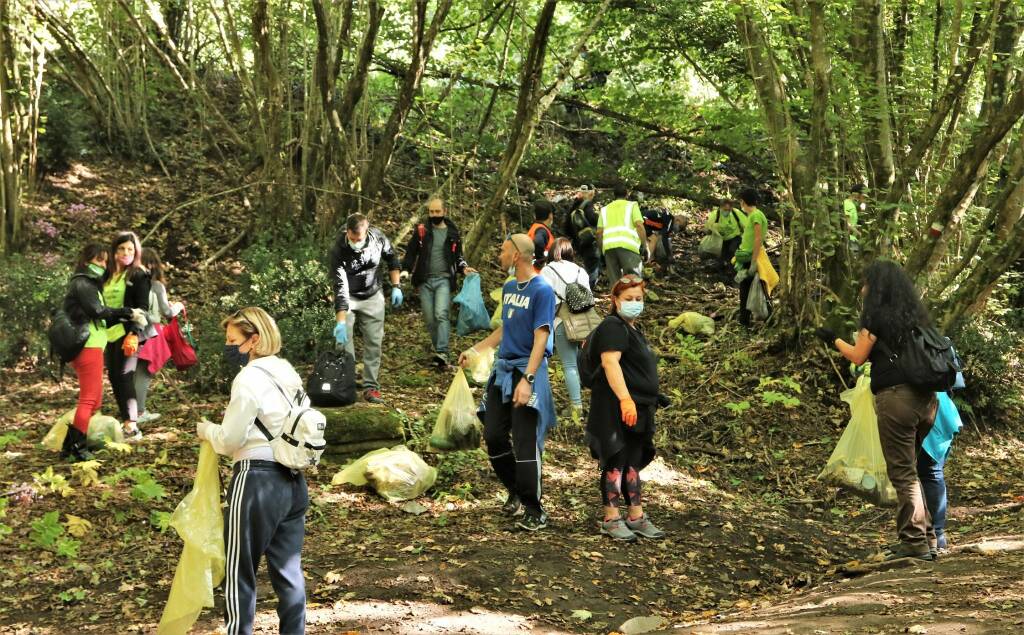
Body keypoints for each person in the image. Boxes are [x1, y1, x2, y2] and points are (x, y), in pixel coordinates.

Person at [815, 260, 939, 561]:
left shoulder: (875, 314)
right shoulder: (916, 316)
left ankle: (913, 542)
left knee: (902, 473)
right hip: (927, 402)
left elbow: (858, 356)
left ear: (877, 286)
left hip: (896, 400)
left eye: (866, 282)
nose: (862, 288)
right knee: (912, 470)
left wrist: (832, 338)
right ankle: (929, 538)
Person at [196, 307, 308, 635]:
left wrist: (206, 430)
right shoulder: (289, 373)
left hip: (255, 480)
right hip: (293, 482)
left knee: (240, 571)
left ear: (254, 340)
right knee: (289, 573)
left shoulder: (248, 378)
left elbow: (231, 439)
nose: (229, 347)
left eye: (233, 341)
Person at [459, 234, 557, 532]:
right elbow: (505, 328)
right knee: (493, 434)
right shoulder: (510, 287)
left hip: (527, 371)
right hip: (503, 371)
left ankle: (534, 508)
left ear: (516, 255)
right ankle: (515, 488)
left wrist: (527, 379)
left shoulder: (542, 290)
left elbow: (542, 337)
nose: (498, 255)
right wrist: (476, 350)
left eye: (502, 251)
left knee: (526, 441)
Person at [586, 275, 664, 542]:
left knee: (632, 461)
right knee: (615, 459)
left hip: (638, 407)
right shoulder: (612, 326)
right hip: (614, 406)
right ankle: (611, 517)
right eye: (628, 299)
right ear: (615, 300)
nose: (634, 303)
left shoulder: (632, 329)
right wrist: (625, 399)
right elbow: (610, 363)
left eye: (638, 299)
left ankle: (636, 515)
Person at [60, 244, 145, 461]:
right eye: (99, 260)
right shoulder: (83, 283)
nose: (103, 265)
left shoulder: (88, 283)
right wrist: (127, 311)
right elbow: (98, 311)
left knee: (95, 400)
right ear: (87, 260)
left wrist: (128, 316)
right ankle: (77, 448)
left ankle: (71, 444)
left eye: (105, 261)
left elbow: (103, 317)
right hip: (87, 346)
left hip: (94, 345)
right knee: (89, 400)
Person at [329, 213, 403, 403]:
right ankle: (348, 384)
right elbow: (340, 286)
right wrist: (340, 322)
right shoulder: (338, 248)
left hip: (373, 295)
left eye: (359, 239)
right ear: (347, 232)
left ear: (367, 231)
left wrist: (396, 287)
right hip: (349, 297)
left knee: (374, 341)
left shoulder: (378, 238)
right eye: (352, 238)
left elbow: (392, 259)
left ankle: (371, 387)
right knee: (343, 343)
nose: (355, 242)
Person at [400, 197, 476, 367]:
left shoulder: (452, 233)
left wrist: (464, 268)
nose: (434, 215)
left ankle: (442, 351)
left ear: (444, 212)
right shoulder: (422, 231)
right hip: (424, 280)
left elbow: (458, 257)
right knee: (429, 318)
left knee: (441, 314)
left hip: (444, 279)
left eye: (437, 211)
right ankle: (438, 350)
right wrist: (405, 269)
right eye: (431, 212)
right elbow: (411, 252)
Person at [103, 231, 151, 440]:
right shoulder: (107, 275)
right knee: (113, 375)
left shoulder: (138, 274)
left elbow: (142, 308)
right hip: (108, 333)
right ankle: (125, 420)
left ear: (136, 252)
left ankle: (132, 425)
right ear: (114, 251)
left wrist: (134, 333)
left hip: (129, 332)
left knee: (124, 375)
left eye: (130, 249)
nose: (125, 252)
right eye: (121, 248)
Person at [540, 238, 590, 423]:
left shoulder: (548, 270)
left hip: (561, 320)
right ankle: (578, 404)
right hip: (583, 320)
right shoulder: (581, 271)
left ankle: (577, 409)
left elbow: (544, 297)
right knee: (577, 363)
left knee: (569, 365)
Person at [134, 248, 184, 425]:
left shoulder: (129, 282)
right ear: (154, 264)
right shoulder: (156, 285)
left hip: (131, 331)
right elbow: (167, 312)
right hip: (150, 333)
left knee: (132, 372)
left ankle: (131, 413)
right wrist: (178, 305)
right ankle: (139, 412)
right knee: (143, 374)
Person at [597, 184, 646, 284]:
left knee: (615, 282)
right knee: (633, 278)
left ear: (614, 195)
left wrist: (601, 250)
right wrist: (644, 245)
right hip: (628, 246)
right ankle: (633, 299)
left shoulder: (604, 209)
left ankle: (617, 299)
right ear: (627, 194)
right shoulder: (632, 206)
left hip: (609, 248)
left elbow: (599, 232)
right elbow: (639, 226)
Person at [734, 189, 769, 327]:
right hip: (748, 256)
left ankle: (745, 321)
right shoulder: (753, 215)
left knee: (746, 289)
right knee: (748, 288)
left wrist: (754, 261)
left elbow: (758, 238)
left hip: (751, 257)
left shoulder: (755, 216)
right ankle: (746, 319)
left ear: (743, 201)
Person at [563, 185, 601, 289]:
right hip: (590, 242)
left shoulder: (573, 206)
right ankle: (588, 291)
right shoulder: (588, 206)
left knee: (584, 267)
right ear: (591, 193)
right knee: (592, 267)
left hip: (578, 243)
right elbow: (596, 221)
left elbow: (566, 227)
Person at [705, 198, 747, 270]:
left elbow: (747, 226)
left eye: (729, 210)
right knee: (720, 257)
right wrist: (711, 232)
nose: (727, 212)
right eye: (725, 210)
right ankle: (723, 267)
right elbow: (707, 228)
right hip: (722, 239)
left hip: (735, 237)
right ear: (720, 207)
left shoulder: (736, 213)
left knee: (732, 250)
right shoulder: (716, 214)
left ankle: (734, 268)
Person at [641, 202, 684, 271]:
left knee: (651, 239)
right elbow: (664, 239)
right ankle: (647, 261)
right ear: (678, 221)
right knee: (653, 239)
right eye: (680, 227)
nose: (678, 230)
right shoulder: (670, 221)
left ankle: (650, 260)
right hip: (644, 220)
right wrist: (669, 255)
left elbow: (661, 234)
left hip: (645, 220)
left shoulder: (667, 219)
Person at [527, 199, 556, 271]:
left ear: (534, 215)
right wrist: (541, 262)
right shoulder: (542, 230)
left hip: (530, 271)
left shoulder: (535, 227)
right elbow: (538, 242)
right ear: (550, 215)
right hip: (538, 274)